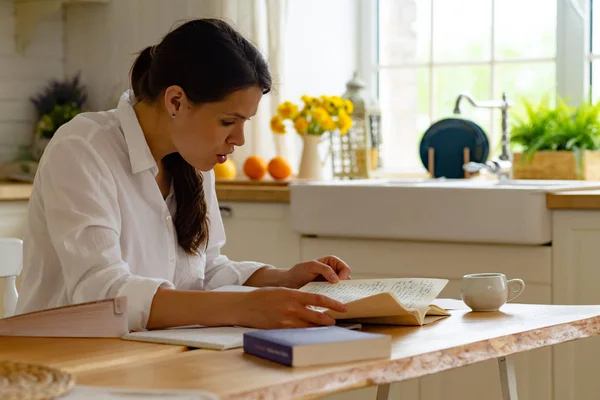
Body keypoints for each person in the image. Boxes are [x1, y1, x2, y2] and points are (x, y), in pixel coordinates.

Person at [15, 18, 352, 332]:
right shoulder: (82, 149)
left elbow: (203, 272)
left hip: (150, 357)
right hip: (58, 366)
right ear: (175, 101)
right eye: (227, 122)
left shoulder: (192, 160)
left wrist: (283, 278)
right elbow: (103, 295)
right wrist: (243, 307)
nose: (239, 140)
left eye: (244, 123)